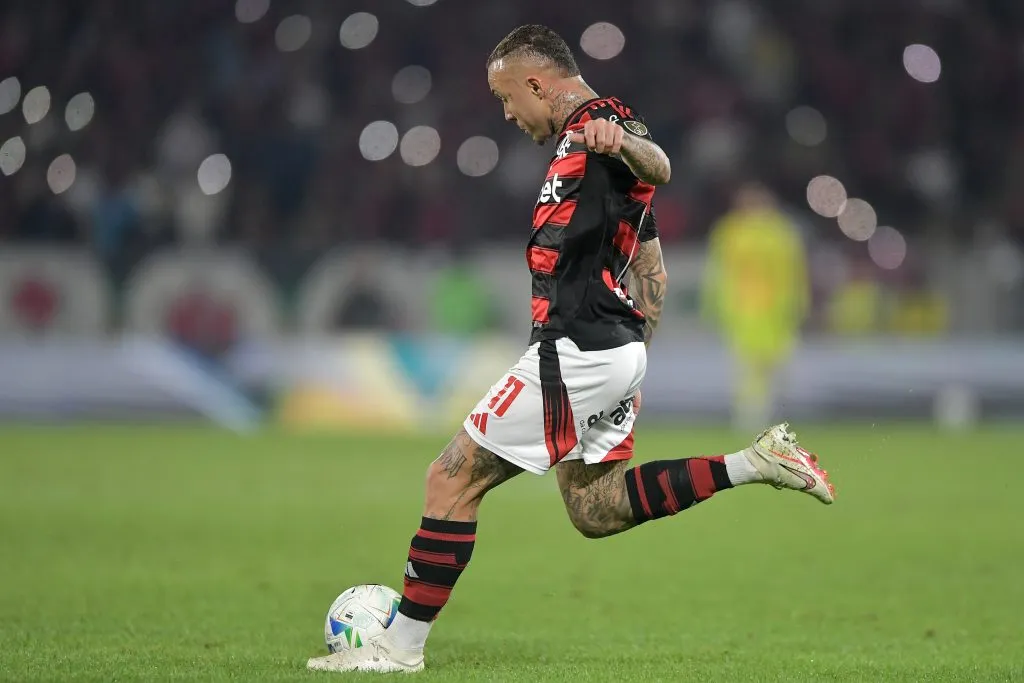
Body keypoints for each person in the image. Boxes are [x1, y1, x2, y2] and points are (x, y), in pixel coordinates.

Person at [307, 25, 835, 674]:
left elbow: (659, 165)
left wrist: (630, 145)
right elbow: (650, 257)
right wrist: (636, 350)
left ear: (536, 83)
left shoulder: (602, 122)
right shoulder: (583, 155)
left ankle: (400, 648)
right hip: (611, 349)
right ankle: (754, 462)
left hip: (578, 346)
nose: (506, 112)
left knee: (451, 478)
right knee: (594, 506)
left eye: (506, 98)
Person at [702, 182, 810, 430]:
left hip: (774, 310)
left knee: (774, 366)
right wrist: (714, 305)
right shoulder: (734, 231)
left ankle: (770, 415)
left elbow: (794, 271)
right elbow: (718, 272)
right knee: (749, 368)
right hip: (745, 310)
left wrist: (799, 302)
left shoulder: (775, 231)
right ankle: (752, 417)